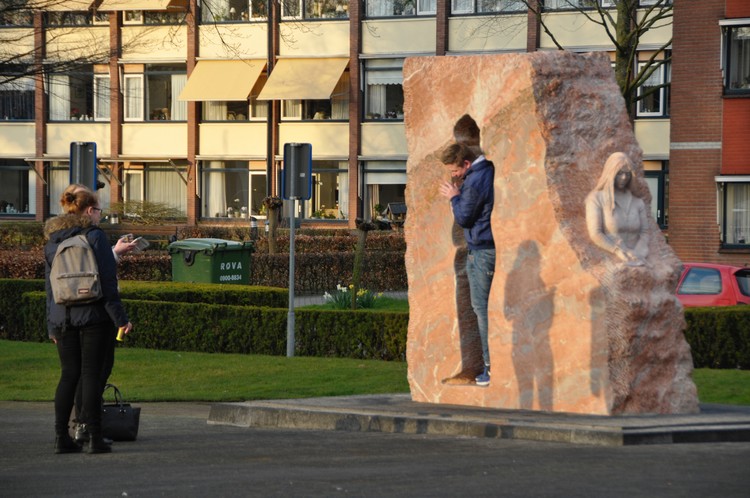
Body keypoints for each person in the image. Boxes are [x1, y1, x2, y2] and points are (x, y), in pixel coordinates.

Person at [44, 187, 132, 454]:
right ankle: (94, 437)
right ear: (90, 211)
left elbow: (49, 286)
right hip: (93, 314)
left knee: (68, 375)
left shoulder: (53, 239)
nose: (100, 217)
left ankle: (61, 438)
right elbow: (107, 284)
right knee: (92, 375)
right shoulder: (95, 237)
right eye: (99, 211)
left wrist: (51, 323)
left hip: (62, 315)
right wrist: (121, 319)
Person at [439, 142, 496, 387]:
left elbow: (464, 217)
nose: (453, 176)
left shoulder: (475, 180)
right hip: (483, 247)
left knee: (481, 309)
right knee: (482, 308)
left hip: (482, 250)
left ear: (466, 164)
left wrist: (454, 197)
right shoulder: (485, 172)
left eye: (454, 171)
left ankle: (489, 368)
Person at [585, 152, 649, 266]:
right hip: (609, 261)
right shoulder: (596, 198)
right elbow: (595, 233)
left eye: (627, 174)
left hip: (638, 258)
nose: (624, 177)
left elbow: (645, 232)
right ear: (611, 173)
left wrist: (638, 253)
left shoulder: (637, 202)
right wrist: (617, 251)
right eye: (619, 173)